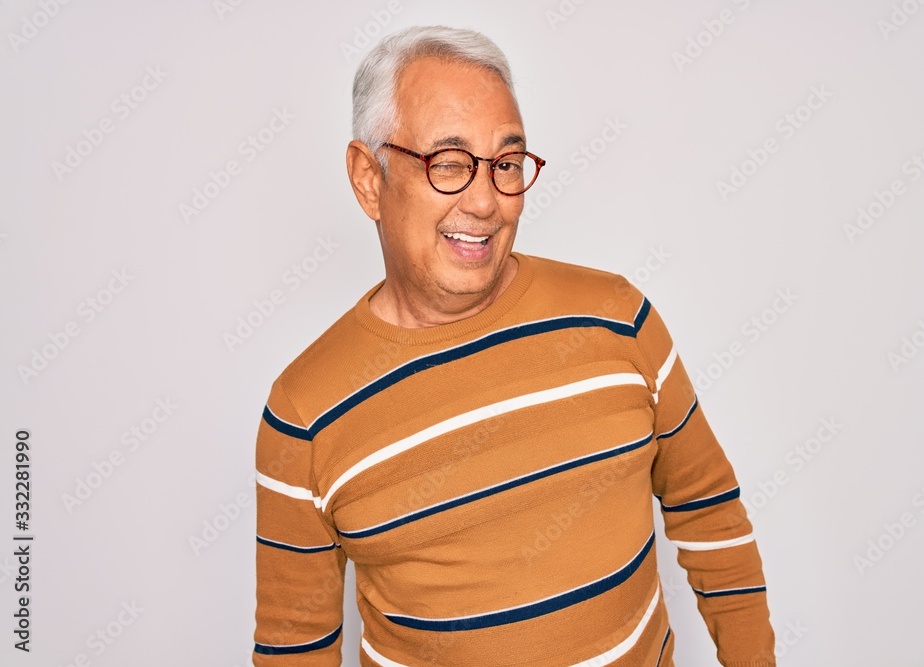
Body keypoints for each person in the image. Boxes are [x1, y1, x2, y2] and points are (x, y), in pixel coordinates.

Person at [253, 25, 776, 667]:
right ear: (368, 179)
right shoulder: (305, 413)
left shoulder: (619, 320)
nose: (485, 201)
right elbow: (293, 648)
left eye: (505, 164)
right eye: (448, 164)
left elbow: (710, 513)